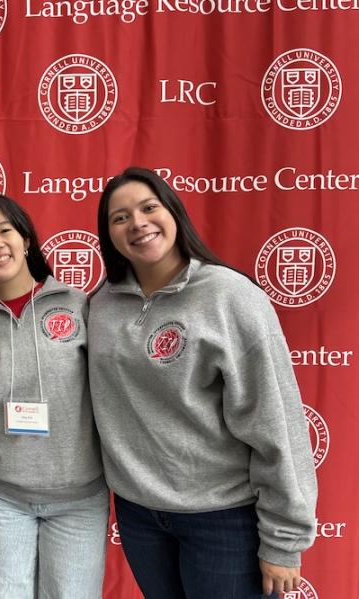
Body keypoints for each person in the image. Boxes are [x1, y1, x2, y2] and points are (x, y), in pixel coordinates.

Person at [89, 166, 318, 598]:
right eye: (120, 217)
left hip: (224, 518)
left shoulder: (231, 297)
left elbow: (276, 420)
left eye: (148, 207)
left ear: (173, 211)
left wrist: (285, 540)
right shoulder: (101, 304)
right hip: (140, 516)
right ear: (109, 234)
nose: (137, 223)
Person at [0, 193, 108, 599]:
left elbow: (115, 391)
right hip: (4, 497)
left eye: (4, 231)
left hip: (79, 498)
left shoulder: (78, 305)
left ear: (26, 239)